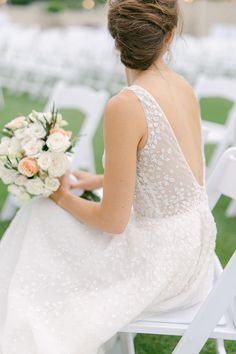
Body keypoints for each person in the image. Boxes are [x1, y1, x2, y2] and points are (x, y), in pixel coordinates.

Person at [0, 0, 217, 353]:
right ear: (170, 37)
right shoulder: (182, 86)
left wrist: (59, 195)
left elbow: (113, 222)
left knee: (40, 214)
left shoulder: (127, 104)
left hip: (162, 264)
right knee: (51, 219)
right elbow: (170, 174)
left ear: (116, 39)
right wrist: (95, 181)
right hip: (194, 245)